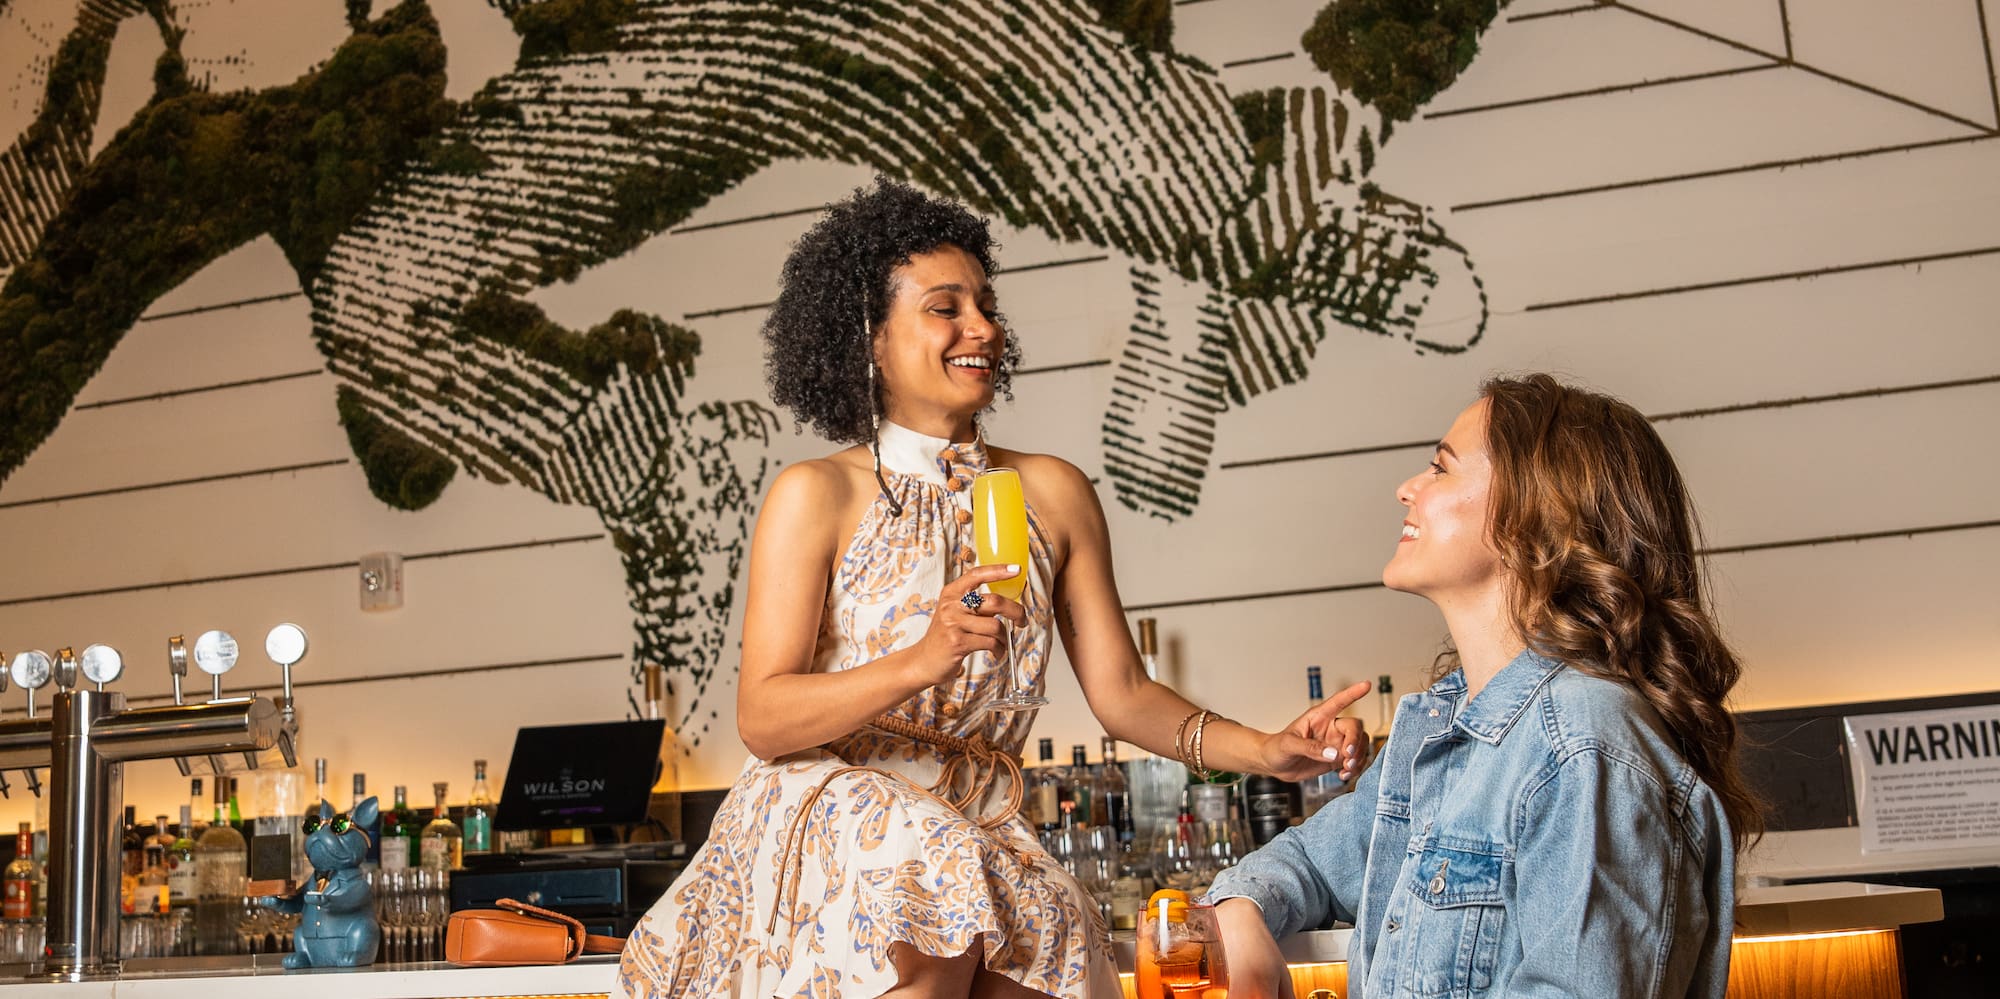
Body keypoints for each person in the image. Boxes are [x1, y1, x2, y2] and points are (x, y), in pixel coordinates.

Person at [615, 178, 1373, 999]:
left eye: (985, 304)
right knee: (933, 900)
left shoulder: (1054, 492)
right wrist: (922, 658)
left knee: (1058, 951)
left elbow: (1123, 695)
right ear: (869, 338)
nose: (982, 328)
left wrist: (1266, 750)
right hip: (838, 813)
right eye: (946, 307)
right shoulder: (815, 495)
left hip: (980, 826)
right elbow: (764, 717)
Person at [1209, 374, 1763, 999]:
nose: (1407, 489)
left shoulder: (1584, 745)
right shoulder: (1445, 729)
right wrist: (1241, 913)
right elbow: (1309, 863)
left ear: (1532, 517)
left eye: (1439, 470)